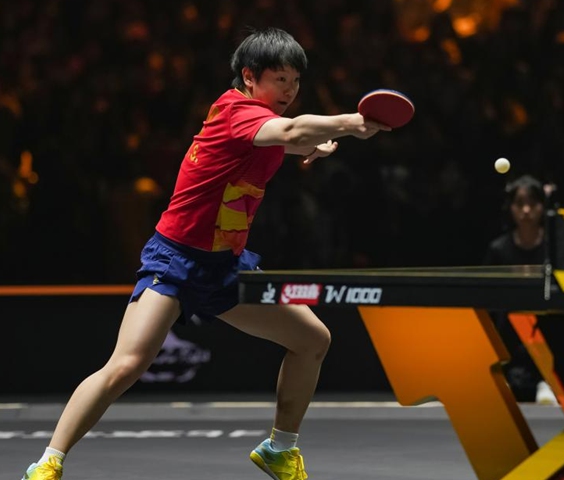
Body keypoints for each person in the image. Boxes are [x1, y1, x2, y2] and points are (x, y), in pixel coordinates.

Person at [20, 27, 390, 480]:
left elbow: (285, 139)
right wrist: (350, 123)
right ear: (250, 77)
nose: (289, 91)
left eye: (295, 82)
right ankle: (47, 464)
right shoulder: (236, 109)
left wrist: (311, 146)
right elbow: (289, 129)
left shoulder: (259, 119)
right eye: (280, 80)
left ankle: (279, 448)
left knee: (313, 340)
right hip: (175, 259)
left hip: (225, 267)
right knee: (127, 364)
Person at [483, 174, 558, 405]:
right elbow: (489, 299)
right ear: (511, 208)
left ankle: (548, 381)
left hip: (546, 331)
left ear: (542, 208)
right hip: (509, 334)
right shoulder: (498, 249)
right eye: (519, 204)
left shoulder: (554, 248)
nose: (526, 210)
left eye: (533, 204)